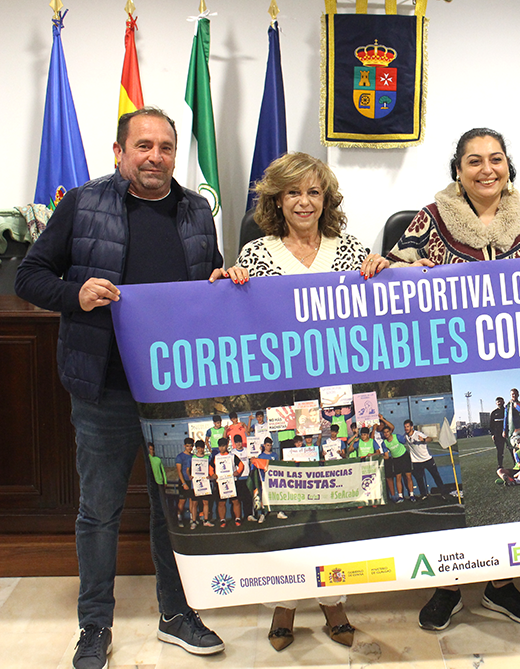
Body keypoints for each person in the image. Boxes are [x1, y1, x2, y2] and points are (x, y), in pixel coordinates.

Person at [14, 107, 229, 668]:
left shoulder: (196, 209)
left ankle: (176, 614)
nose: (155, 157)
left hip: (176, 389)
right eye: (143, 146)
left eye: (165, 147)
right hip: (104, 387)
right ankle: (94, 625)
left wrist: (221, 281)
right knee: (99, 510)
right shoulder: (83, 203)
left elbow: (208, 276)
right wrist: (76, 294)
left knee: (173, 508)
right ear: (119, 152)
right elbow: (29, 275)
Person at [361, 127, 520, 632]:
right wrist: (386, 264)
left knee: (506, 478)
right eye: (475, 161)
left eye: (496, 159)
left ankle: (501, 586)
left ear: (508, 167)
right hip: (446, 370)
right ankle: (448, 586)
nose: (487, 169)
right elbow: (392, 274)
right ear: (458, 171)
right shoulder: (431, 219)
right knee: (458, 486)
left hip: (511, 367)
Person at [231, 151, 365, 650]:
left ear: (326, 199)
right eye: (293, 192)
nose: (304, 201)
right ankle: (284, 603)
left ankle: (334, 602)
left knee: (333, 500)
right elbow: (241, 321)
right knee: (287, 500)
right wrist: (228, 286)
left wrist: (383, 271)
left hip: (336, 399)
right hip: (282, 400)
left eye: (313, 191)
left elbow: (372, 315)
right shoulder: (256, 255)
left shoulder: (352, 250)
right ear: (277, 200)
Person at [404, 419, 448, 499]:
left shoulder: (418, 434)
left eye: (408, 427)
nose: (406, 428)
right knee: (419, 479)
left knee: (436, 476)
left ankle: (443, 493)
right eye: (405, 427)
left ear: (411, 427)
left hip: (427, 459)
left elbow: (430, 439)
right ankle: (424, 495)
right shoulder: (406, 436)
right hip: (416, 461)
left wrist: (423, 440)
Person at [489, 396, 508, 468]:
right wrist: (492, 434)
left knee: (511, 449)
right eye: (498, 402)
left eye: (501, 401)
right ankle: (500, 465)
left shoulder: (507, 411)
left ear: (503, 402)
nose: (499, 403)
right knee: (500, 451)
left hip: (507, 433)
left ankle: (516, 463)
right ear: (496, 403)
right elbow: (491, 424)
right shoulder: (494, 413)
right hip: (498, 435)